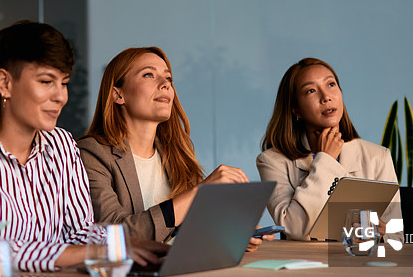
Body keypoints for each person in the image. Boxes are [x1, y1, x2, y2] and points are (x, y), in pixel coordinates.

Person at [0, 22, 166, 272]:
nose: (61, 96)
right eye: (46, 81)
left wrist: (131, 247)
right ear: (5, 83)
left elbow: (80, 231)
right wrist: (100, 251)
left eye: (64, 83)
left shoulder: (62, 145)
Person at [77, 46, 270, 251]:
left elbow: (189, 229)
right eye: (149, 75)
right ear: (118, 95)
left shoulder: (177, 151)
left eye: (168, 78)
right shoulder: (91, 153)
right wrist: (200, 193)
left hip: (182, 268)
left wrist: (230, 233)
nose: (165, 85)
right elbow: (114, 236)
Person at [257, 57, 402, 241]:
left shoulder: (378, 157)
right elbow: (294, 228)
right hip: (305, 266)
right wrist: (325, 160)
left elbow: (397, 238)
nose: (326, 97)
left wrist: (382, 234)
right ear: (296, 110)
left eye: (331, 84)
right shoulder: (272, 161)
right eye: (311, 91)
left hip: (361, 264)